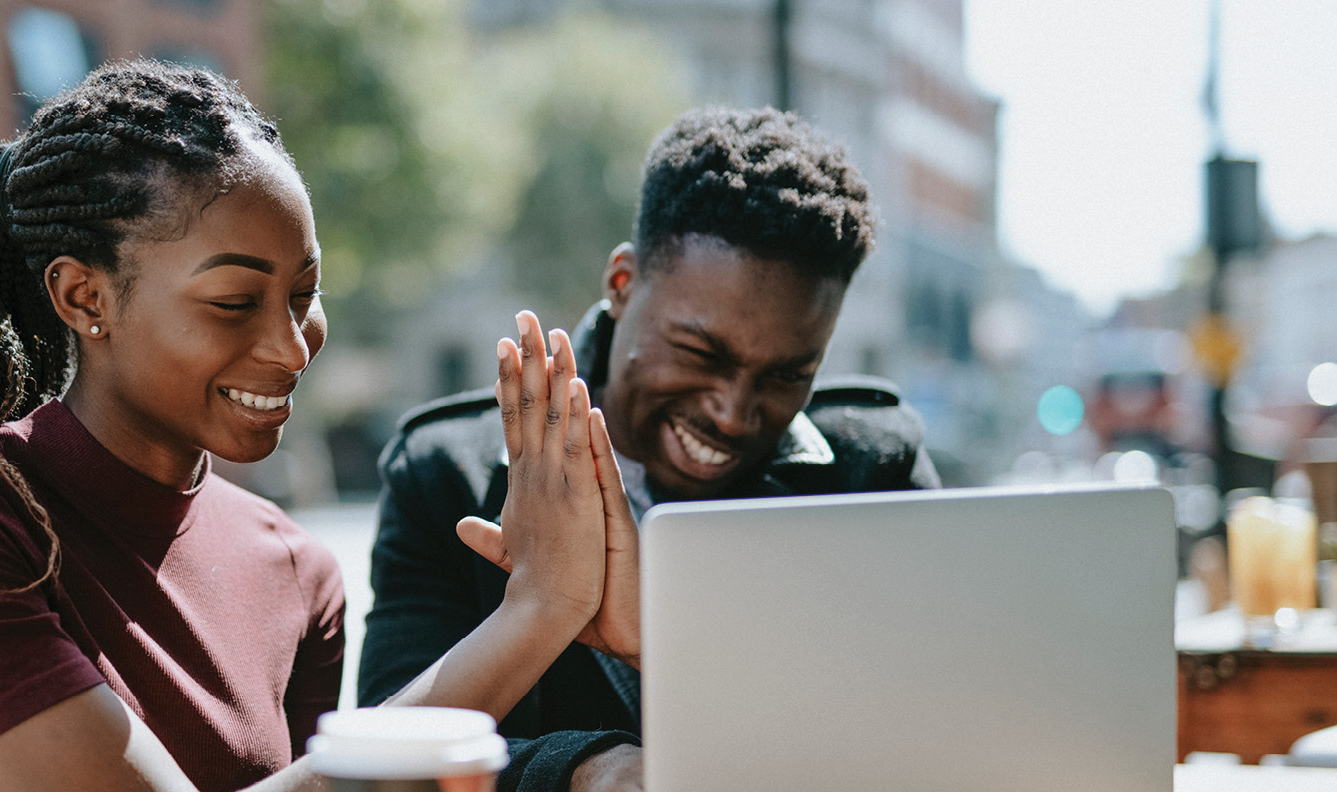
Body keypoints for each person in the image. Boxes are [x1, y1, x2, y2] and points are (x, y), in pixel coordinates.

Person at [0, 59, 627, 792]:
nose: (290, 346)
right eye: (234, 303)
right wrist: (536, 608)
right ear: (84, 298)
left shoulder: (296, 571)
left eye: (304, 293)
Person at [359, 106, 942, 791]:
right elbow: (379, 759)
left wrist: (666, 647)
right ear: (621, 284)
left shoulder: (871, 472)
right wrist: (582, 771)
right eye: (700, 352)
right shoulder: (446, 474)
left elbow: (923, 738)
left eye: (787, 375)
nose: (732, 413)